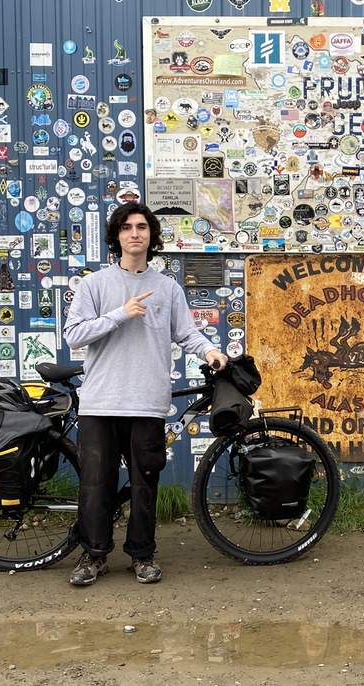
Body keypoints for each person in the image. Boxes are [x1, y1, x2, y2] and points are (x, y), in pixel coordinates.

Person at [63, 202, 227, 587]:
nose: (134, 233)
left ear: (151, 236)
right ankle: (94, 555)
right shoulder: (94, 284)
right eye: (126, 227)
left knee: (144, 483)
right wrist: (121, 313)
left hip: (147, 402)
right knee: (95, 485)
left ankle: (142, 554)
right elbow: (74, 335)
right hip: (101, 402)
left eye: (142, 227)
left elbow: (186, 333)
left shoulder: (167, 288)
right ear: (116, 236)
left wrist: (210, 351)